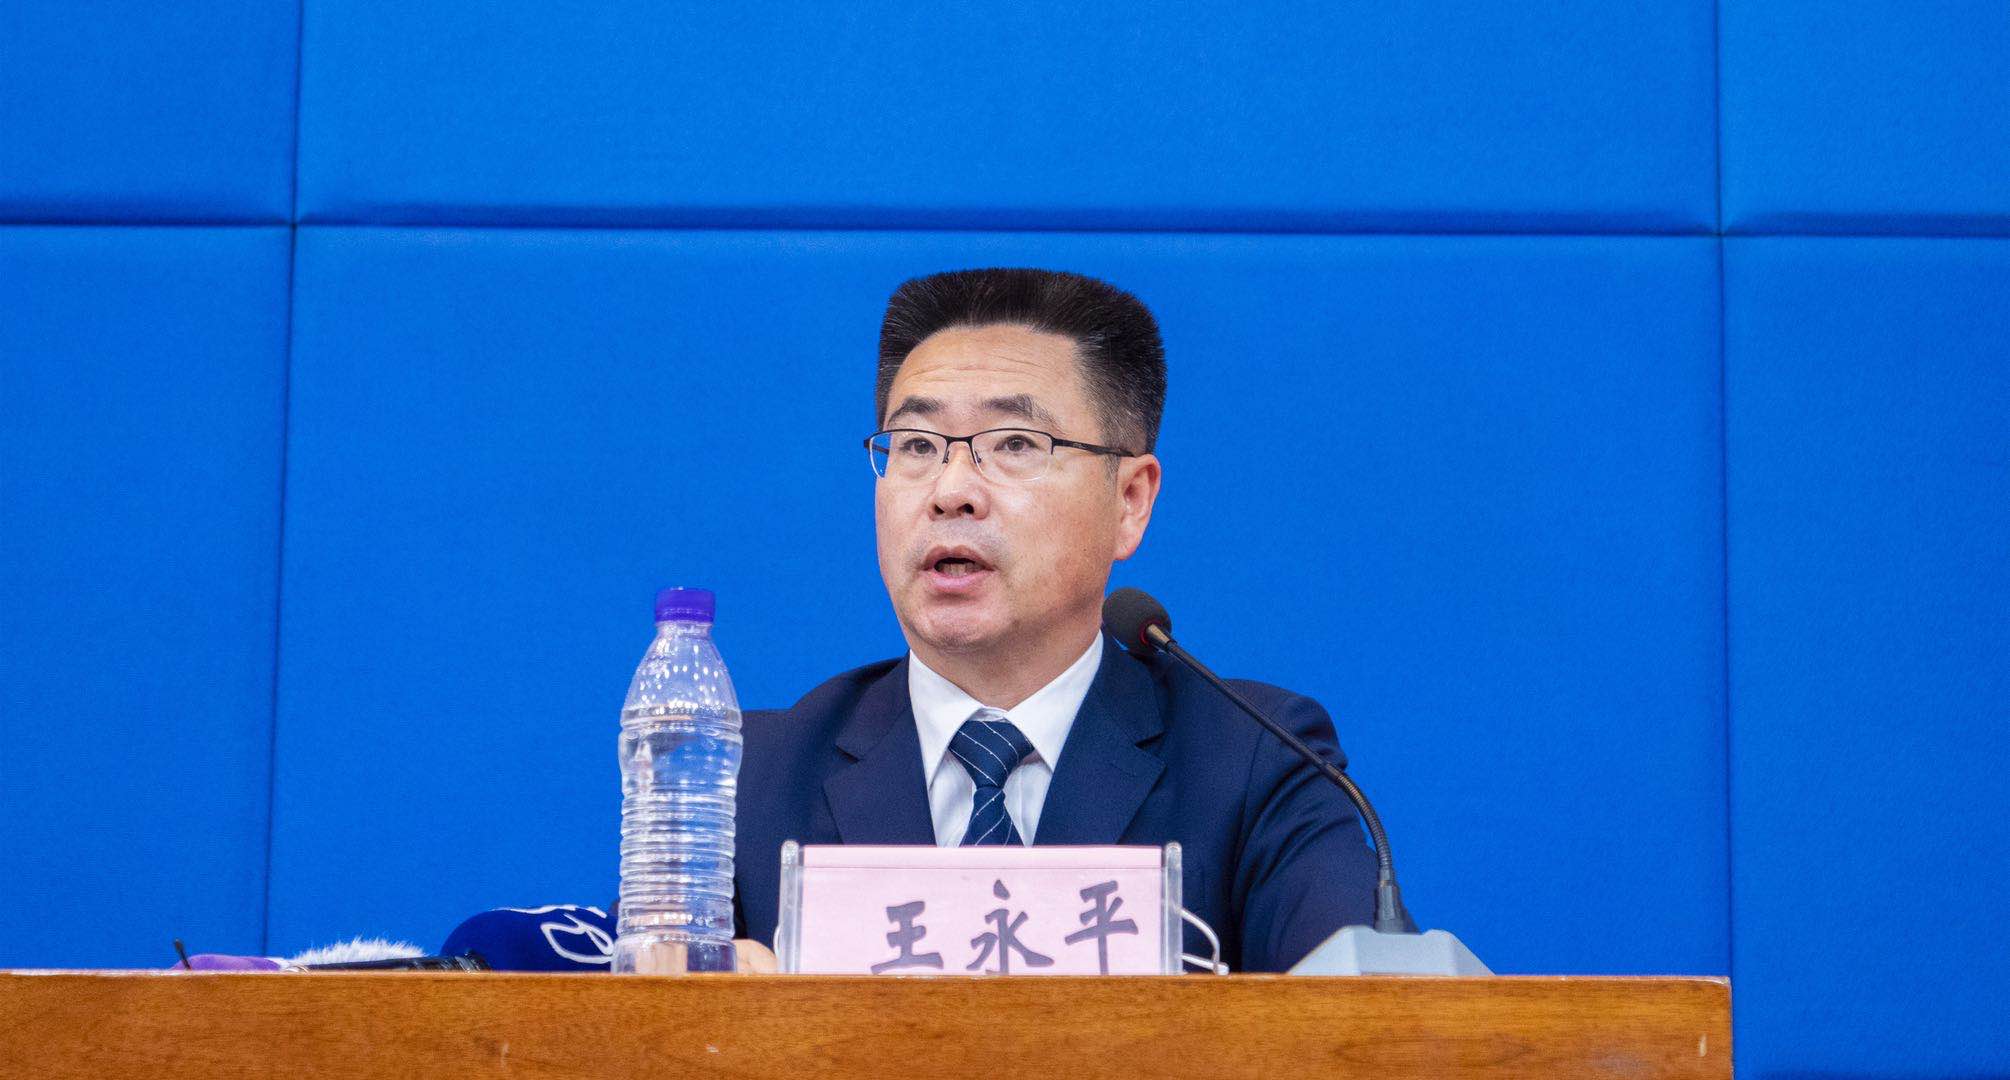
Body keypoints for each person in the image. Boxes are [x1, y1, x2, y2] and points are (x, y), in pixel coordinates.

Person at [734, 268, 1377, 973]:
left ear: (1130, 501)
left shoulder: (1259, 765)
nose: (951, 490)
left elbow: (1361, 1026)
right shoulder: (742, 781)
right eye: (916, 445)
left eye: (1014, 444)